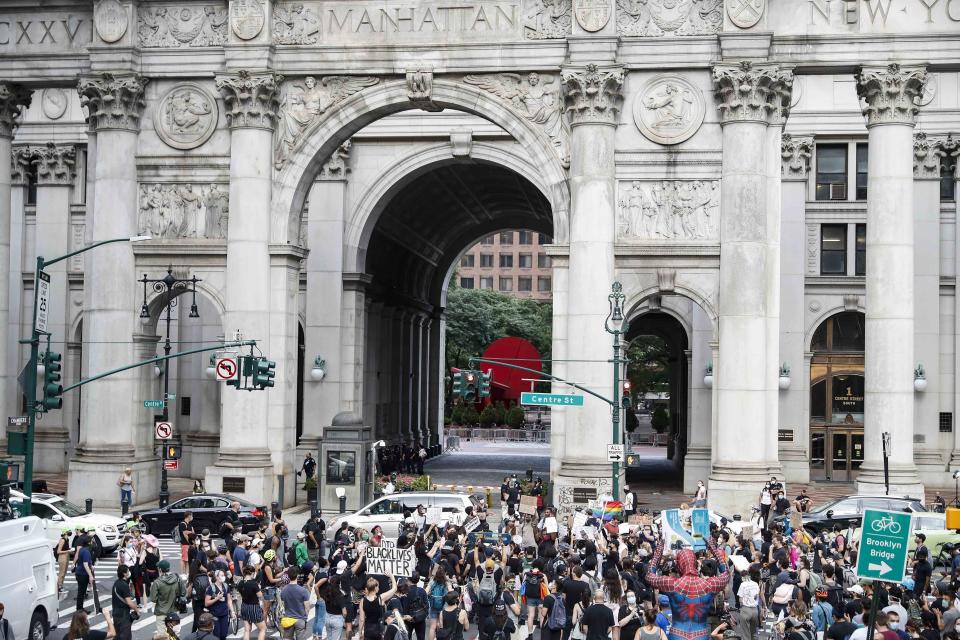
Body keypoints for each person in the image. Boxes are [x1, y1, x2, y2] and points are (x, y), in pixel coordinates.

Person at [150, 560, 186, 636]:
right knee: (174, 635)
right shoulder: (177, 578)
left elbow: (153, 599)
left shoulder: (157, 582)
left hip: (161, 612)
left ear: (160, 569)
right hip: (174, 611)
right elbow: (183, 593)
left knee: (162, 636)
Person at [359, 573, 398, 640]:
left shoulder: (362, 601)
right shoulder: (381, 598)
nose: (379, 588)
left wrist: (360, 633)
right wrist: (391, 576)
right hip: (378, 629)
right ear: (375, 588)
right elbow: (394, 589)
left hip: (368, 629)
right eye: (378, 586)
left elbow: (361, 619)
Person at [280, 566, 314, 640]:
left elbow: (283, 605)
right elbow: (307, 607)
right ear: (297, 575)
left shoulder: (283, 590)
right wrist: (305, 617)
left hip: (288, 618)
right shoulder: (303, 590)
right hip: (300, 619)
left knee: (287, 638)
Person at [112, 564, 141, 640]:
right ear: (124, 573)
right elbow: (129, 602)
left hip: (116, 614)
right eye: (128, 571)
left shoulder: (116, 583)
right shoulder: (124, 585)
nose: (129, 572)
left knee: (118, 636)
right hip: (123, 615)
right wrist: (136, 610)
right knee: (126, 636)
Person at [204, 569, 234, 640]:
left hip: (224, 614)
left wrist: (232, 611)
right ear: (217, 577)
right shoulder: (211, 588)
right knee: (217, 635)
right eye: (222, 575)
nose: (224, 577)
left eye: (224, 575)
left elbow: (229, 600)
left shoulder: (226, 586)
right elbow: (206, 603)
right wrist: (217, 598)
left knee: (224, 635)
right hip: (214, 615)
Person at [238, 564, 266, 640]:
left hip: (244, 606)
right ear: (252, 573)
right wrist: (259, 588)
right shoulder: (254, 584)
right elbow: (260, 595)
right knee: (262, 629)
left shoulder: (240, 583)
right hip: (253, 607)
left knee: (247, 630)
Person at [736, 564, 762, 640]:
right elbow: (757, 596)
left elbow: (740, 599)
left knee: (745, 634)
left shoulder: (742, 584)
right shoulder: (755, 584)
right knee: (753, 633)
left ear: (742, 577)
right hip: (755, 610)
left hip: (746, 609)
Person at [74, 534, 96, 614]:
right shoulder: (86, 551)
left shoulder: (82, 549)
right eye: (92, 541)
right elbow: (85, 564)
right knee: (81, 592)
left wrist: (91, 566)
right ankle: (79, 609)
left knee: (81, 592)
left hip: (79, 572)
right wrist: (90, 575)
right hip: (83, 574)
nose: (93, 542)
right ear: (89, 542)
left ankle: (80, 608)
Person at [56, 527, 72, 592]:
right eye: (68, 531)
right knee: (61, 573)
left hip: (66, 556)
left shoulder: (67, 539)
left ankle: (61, 585)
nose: (70, 532)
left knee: (64, 573)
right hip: (62, 557)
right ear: (65, 533)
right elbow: (58, 551)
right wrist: (68, 551)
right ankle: (59, 587)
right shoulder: (62, 540)